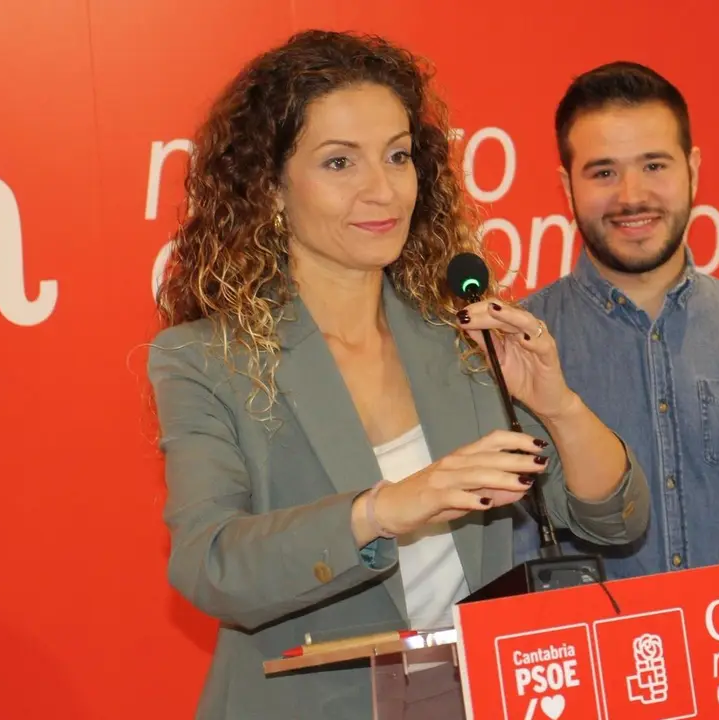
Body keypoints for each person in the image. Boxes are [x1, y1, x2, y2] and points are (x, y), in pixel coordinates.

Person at [147, 31, 649, 720]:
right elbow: (212, 566)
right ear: (270, 186)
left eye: (398, 155)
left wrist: (557, 405)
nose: (382, 190)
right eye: (339, 162)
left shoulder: (460, 334)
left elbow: (615, 520)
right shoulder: (207, 358)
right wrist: (386, 508)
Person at [519, 61, 719, 579]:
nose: (631, 196)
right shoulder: (517, 350)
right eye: (604, 172)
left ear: (692, 169)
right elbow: (507, 557)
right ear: (566, 185)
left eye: (654, 165)